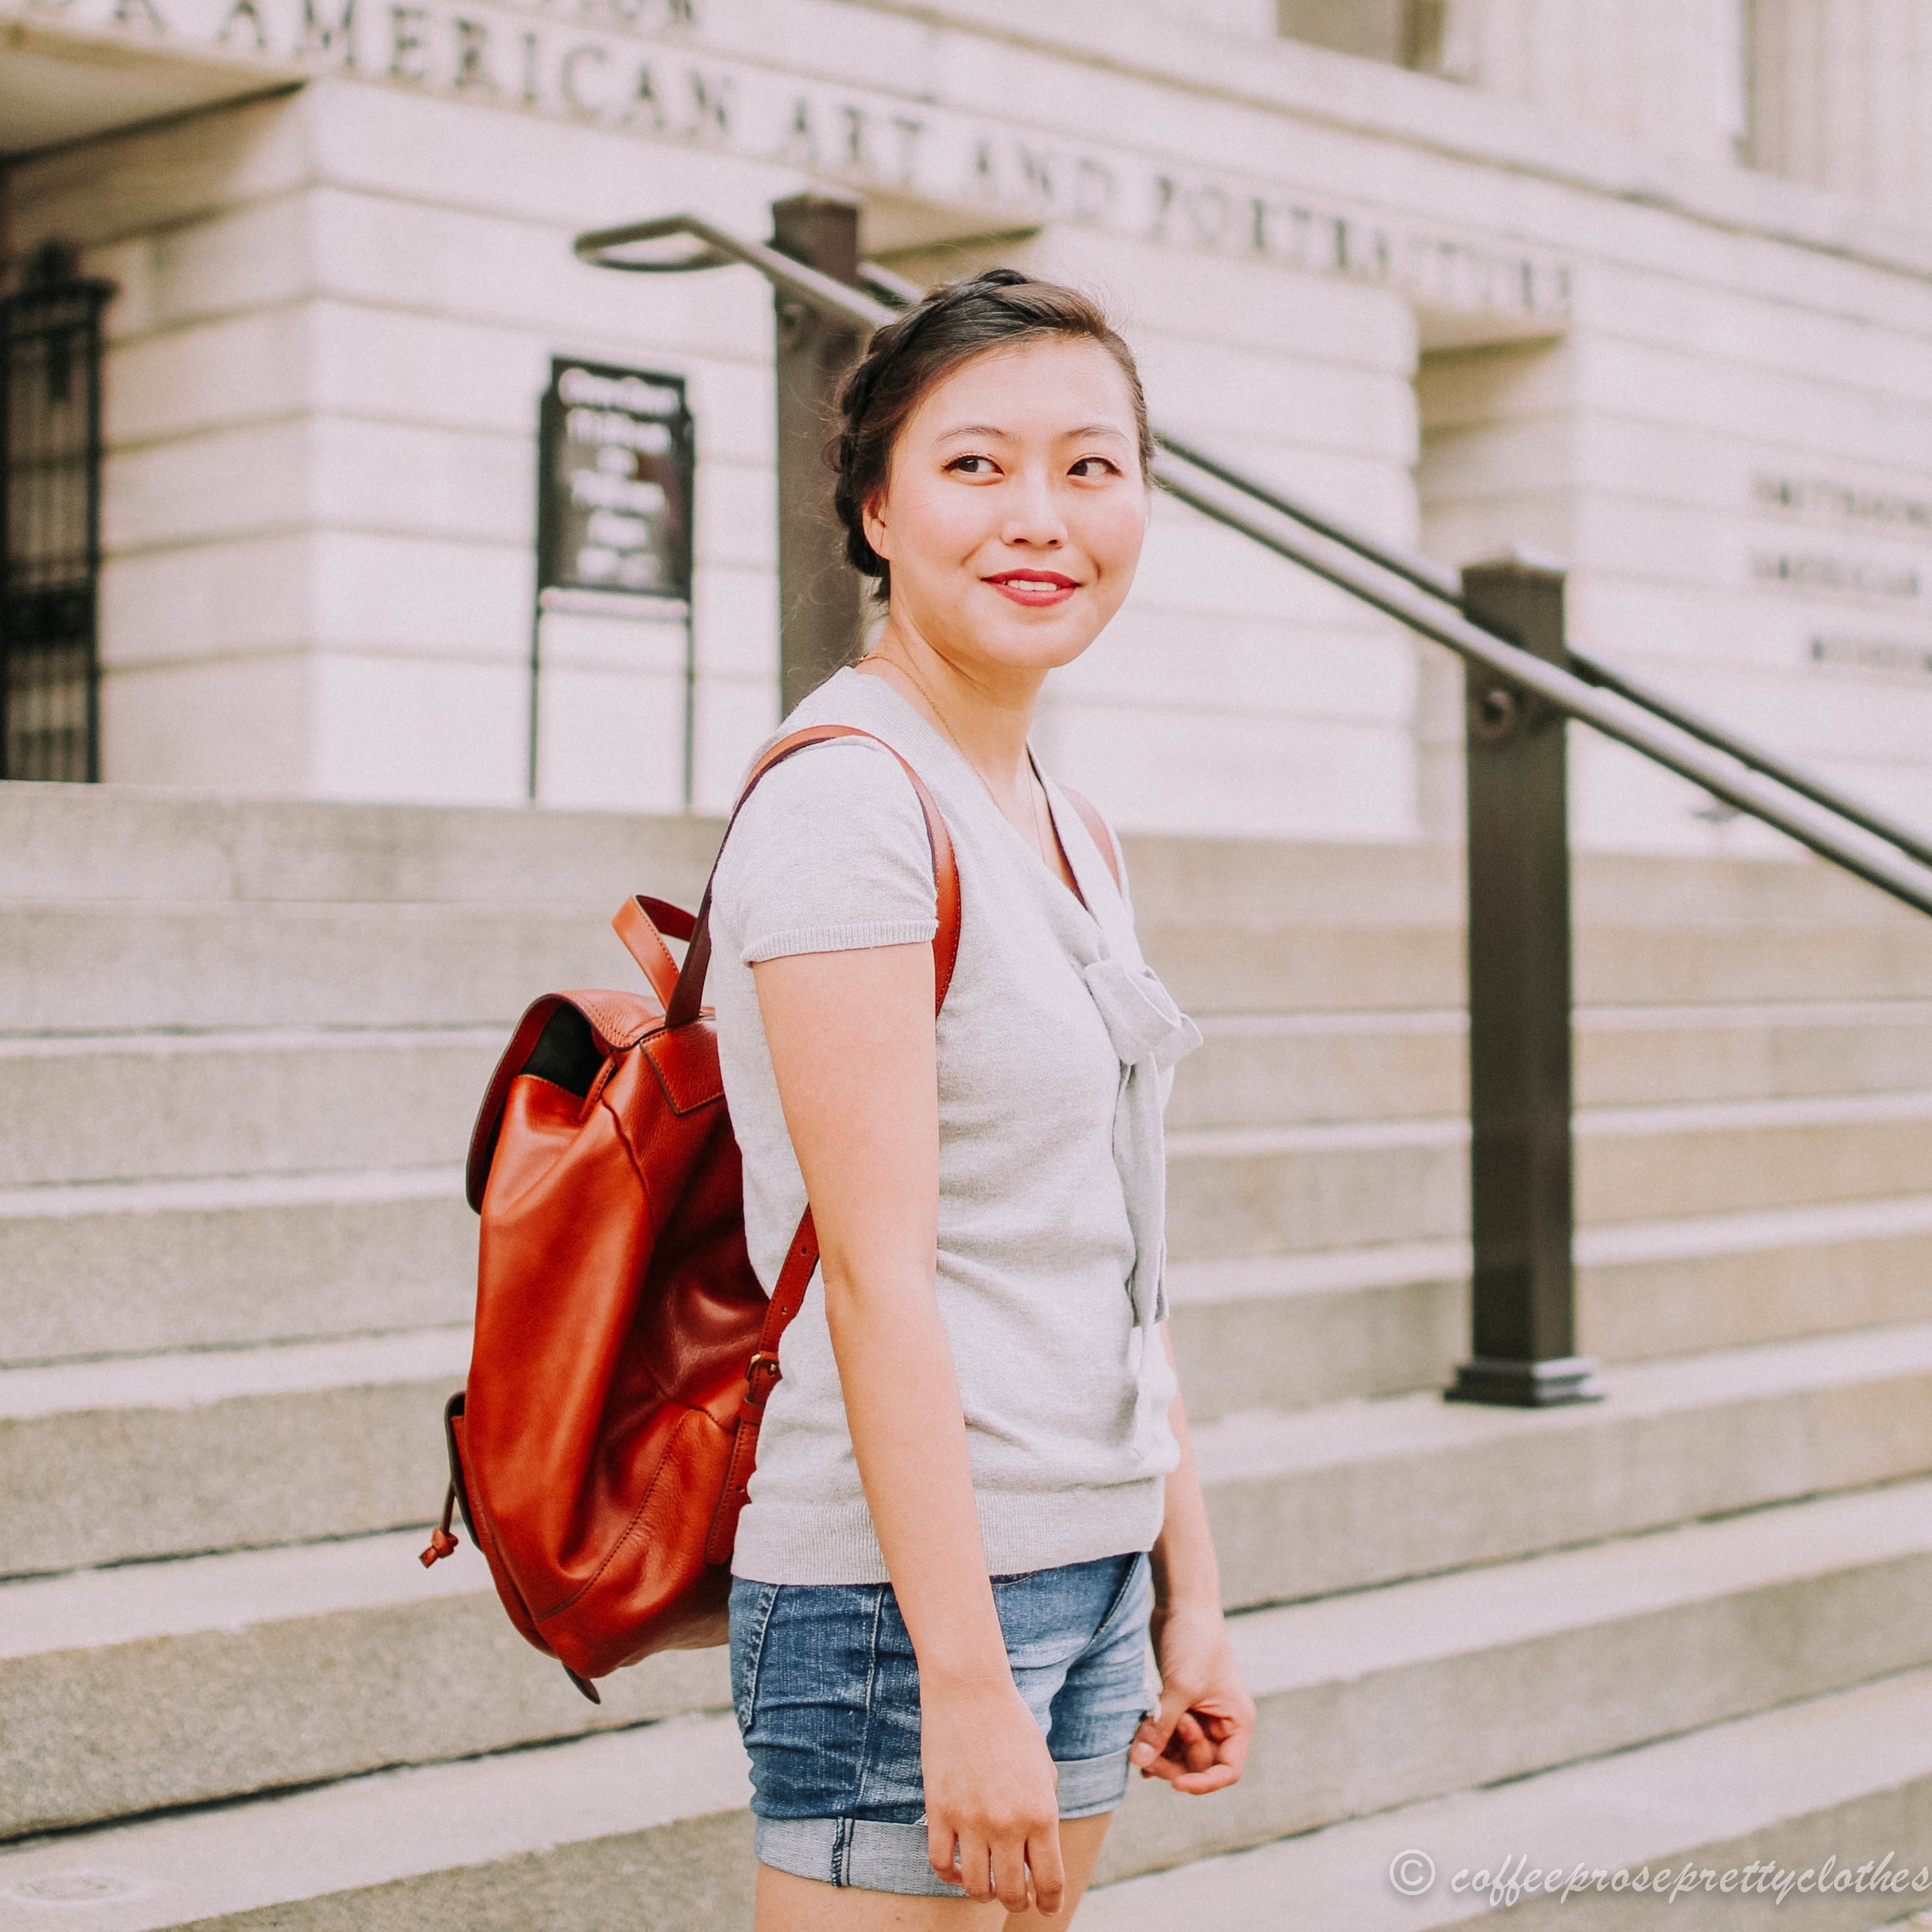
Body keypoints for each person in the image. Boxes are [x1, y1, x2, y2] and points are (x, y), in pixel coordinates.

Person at [707, 268, 1255, 1930]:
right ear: (873, 509)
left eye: (1090, 466)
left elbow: (1115, 1249)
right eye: (973, 466)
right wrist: (958, 1676)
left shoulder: (1063, 822)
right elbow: (876, 1272)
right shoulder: (850, 805)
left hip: (1083, 1561)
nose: (1042, 516)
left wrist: (1190, 1589)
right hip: (906, 1596)